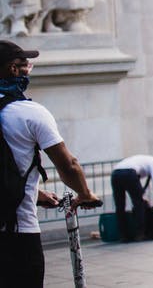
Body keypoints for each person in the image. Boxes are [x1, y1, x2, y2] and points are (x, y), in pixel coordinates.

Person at [0, 40, 101, 286]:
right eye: (26, 65)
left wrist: (33, 192)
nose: (28, 70)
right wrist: (85, 194)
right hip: (17, 234)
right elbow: (69, 166)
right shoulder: (28, 112)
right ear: (13, 69)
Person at [110, 155, 153, 242]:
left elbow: (136, 182)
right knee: (139, 204)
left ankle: (123, 235)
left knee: (120, 206)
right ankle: (140, 234)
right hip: (129, 173)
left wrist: (143, 196)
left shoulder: (146, 160)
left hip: (115, 173)